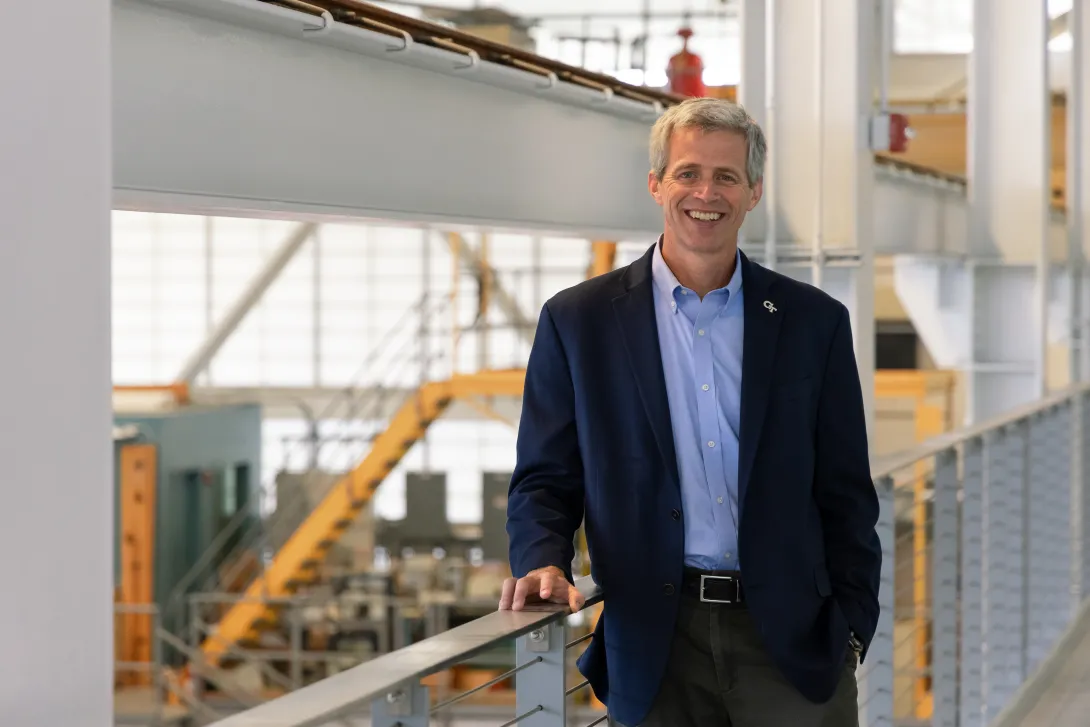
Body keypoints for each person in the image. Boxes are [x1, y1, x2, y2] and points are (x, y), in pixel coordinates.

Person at [499, 97, 881, 727]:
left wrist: (852, 626)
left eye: (727, 176)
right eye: (688, 173)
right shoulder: (578, 322)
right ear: (656, 184)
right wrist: (542, 557)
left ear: (753, 191)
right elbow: (546, 475)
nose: (707, 192)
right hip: (654, 636)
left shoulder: (814, 323)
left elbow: (845, 488)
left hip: (791, 639)